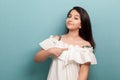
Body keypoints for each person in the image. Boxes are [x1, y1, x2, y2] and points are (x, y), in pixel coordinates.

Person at [34, 6, 97, 80]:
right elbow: (37, 59)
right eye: (69, 16)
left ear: (81, 25)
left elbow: (84, 73)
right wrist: (50, 51)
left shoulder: (85, 46)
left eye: (75, 18)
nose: (70, 19)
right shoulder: (56, 40)